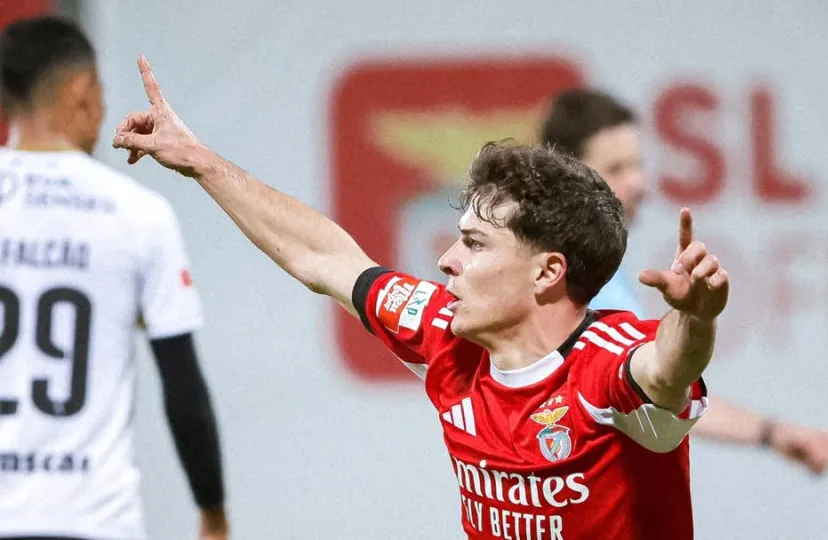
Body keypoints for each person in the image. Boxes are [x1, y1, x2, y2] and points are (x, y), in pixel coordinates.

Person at [113, 55, 730, 539]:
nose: (446, 260)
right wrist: (200, 161)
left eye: (476, 244)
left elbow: (667, 369)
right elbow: (326, 258)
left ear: (547, 273)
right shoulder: (444, 332)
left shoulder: (606, 364)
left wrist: (695, 319)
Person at [540, 88, 828, 475]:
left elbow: (659, 392)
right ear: (567, 179)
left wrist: (771, 433)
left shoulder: (600, 271)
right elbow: (658, 387)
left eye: (637, 165)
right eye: (616, 169)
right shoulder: (564, 283)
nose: (639, 182)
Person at [0, 17, 228, 540]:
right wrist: (212, 511)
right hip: (93, 519)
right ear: (81, 90)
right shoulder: (136, 214)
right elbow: (183, 387)